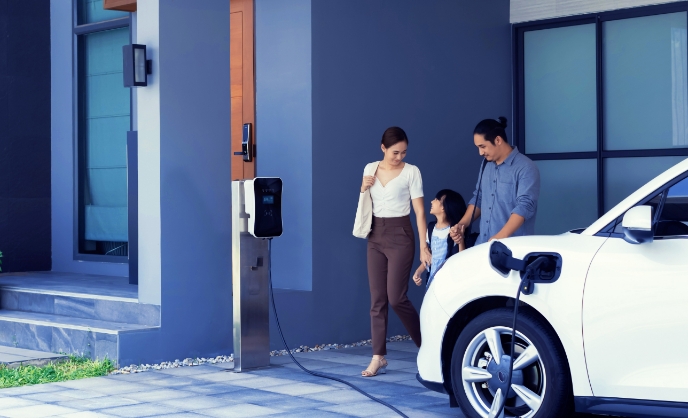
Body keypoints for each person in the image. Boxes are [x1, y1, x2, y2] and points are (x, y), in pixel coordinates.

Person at [359, 127, 431, 377]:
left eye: (403, 152)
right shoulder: (370, 169)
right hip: (375, 235)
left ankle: (428, 346)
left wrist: (424, 245)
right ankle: (378, 356)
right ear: (383, 148)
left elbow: (420, 212)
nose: (399, 157)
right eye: (394, 152)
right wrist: (362, 188)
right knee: (377, 299)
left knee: (396, 297)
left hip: (401, 234)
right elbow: (365, 204)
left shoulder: (412, 172)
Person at [450, 117, 540, 246]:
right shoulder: (486, 164)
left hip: (513, 248)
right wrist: (461, 225)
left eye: (483, 146)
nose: (480, 153)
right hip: (483, 244)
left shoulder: (526, 167)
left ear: (498, 140)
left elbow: (525, 206)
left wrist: (500, 237)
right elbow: (479, 197)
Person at [413, 189, 467, 289]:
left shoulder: (453, 231)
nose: (432, 201)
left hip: (448, 283)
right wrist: (418, 271)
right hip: (432, 282)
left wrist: (461, 240)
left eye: (436, 199)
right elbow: (431, 258)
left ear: (443, 207)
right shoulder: (430, 228)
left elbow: (461, 258)